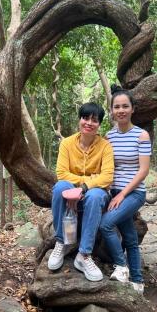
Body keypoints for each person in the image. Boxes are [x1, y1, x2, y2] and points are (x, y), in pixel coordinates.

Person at [48, 102, 114, 282]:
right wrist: (78, 188)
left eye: (94, 120)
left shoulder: (105, 146)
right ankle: (61, 242)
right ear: (80, 120)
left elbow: (107, 176)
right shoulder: (67, 144)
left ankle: (84, 255)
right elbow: (62, 173)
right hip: (71, 190)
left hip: (94, 192)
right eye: (85, 118)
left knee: (94, 196)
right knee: (60, 187)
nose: (89, 123)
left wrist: (84, 187)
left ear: (99, 124)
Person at [99, 85, 151, 294]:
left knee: (106, 224)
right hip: (114, 193)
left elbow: (144, 170)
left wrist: (122, 194)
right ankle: (137, 281)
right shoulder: (109, 137)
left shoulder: (142, 136)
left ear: (132, 109)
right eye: (116, 107)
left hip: (134, 193)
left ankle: (121, 266)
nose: (121, 110)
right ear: (111, 111)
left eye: (125, 106)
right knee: (129, 237)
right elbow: (105, 166)